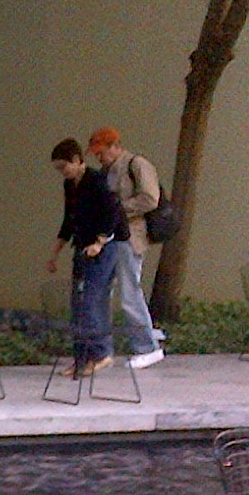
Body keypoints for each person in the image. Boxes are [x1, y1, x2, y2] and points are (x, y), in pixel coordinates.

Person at [48, 138, 128, 378]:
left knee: (91, 299)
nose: (63, 173)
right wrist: (54, 253)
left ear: (76, 160)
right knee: (77, 303)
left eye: (64, 167)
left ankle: (101, 353)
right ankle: (81, 358)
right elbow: (69, 221)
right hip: (82, 245)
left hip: (105, 246)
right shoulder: (70, 185)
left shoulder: (98, 180)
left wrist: (100, 242)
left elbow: (112, 213)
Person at [86, 127, 166, 368]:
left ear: (114, 146)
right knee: (104, 292)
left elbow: (150, 198)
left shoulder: (137, 164)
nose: (99, 157)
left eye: (101, 152)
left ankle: (147, 347)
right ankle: (104, 351)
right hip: (110, 238)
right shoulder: (107, 171)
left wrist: (118, 211)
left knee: (130, 293)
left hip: (130, 237)